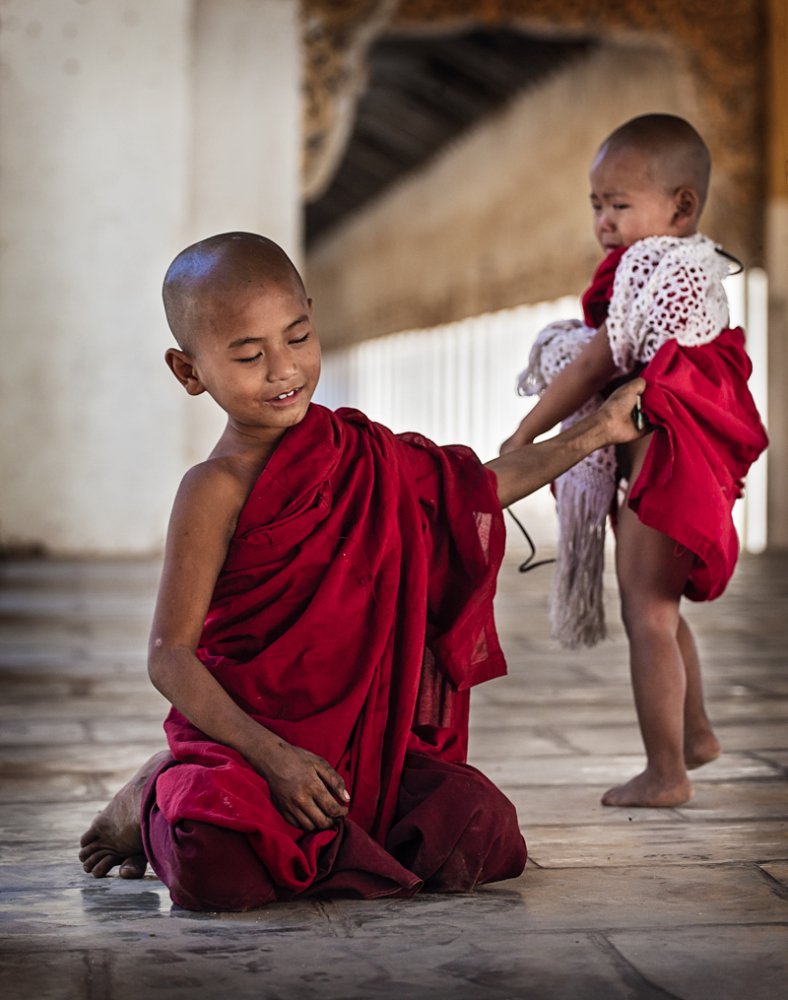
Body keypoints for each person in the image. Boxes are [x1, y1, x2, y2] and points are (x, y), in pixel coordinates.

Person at [79, 231, 644, 911]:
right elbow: (170, 656)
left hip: (364, 753)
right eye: (250, 355)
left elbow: (475, 486)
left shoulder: (360, 455)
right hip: (250, 751)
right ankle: (154, 793)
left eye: (298, 337)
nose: (284, 369)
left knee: (482, 830)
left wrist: (599, 431)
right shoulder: (213, 489)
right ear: (189, 370)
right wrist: (275, 760)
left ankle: (331, 825)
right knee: (215, 865)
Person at [501, 114, 768, 808]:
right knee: (662, 607)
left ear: (681, 206)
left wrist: (527, 434)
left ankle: (666, 772)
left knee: (646, 613)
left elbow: (597, 362)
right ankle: (698, 733)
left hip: (664, 455)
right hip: (669, 452)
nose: (604, 221)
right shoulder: (692, 263)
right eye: (596, 204)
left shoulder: (658, 264)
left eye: (619, 205)